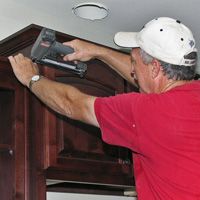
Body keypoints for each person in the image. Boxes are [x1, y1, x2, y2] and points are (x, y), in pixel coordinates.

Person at [8, 17, 200, 200]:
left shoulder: (146, 112)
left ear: (156, 67)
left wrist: (31, 79)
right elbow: (152, 79)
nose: (132, 71)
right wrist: (99, 52)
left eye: (133, 61)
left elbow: (73, 103)